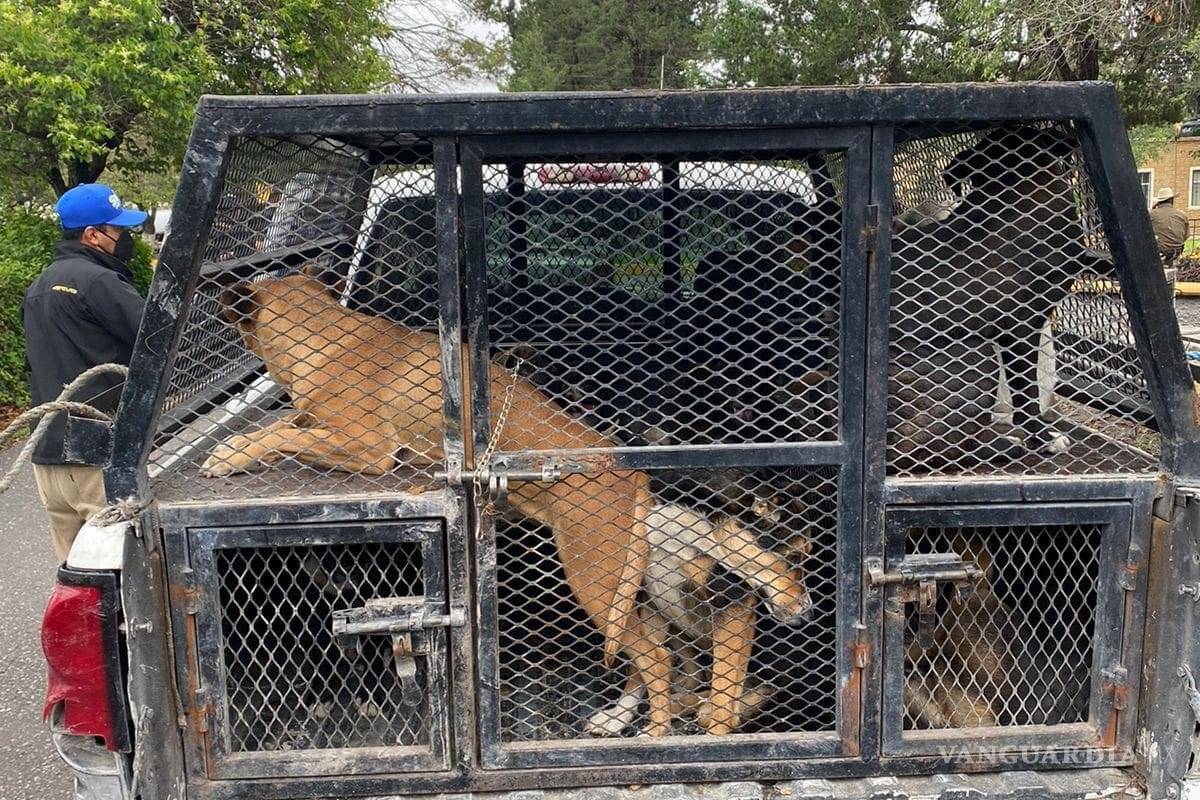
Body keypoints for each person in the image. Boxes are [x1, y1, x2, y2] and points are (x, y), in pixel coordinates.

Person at [22, 183, 147, 562]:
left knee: (75, 574)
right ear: (93, 235)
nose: (124, 238)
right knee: (121, 572)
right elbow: (157, 338)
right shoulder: (100, 282)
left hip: (48, 458)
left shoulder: (38, 286)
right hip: (94, 456)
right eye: (119, 230)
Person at [1149, 186, 1189, 266]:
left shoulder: (1151, 215)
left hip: (1158, 253)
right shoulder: (1183, 215)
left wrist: (1153, 209)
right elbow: (1186, 237)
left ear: (1159, 202)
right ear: (1172, 200)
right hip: (1177, 252)